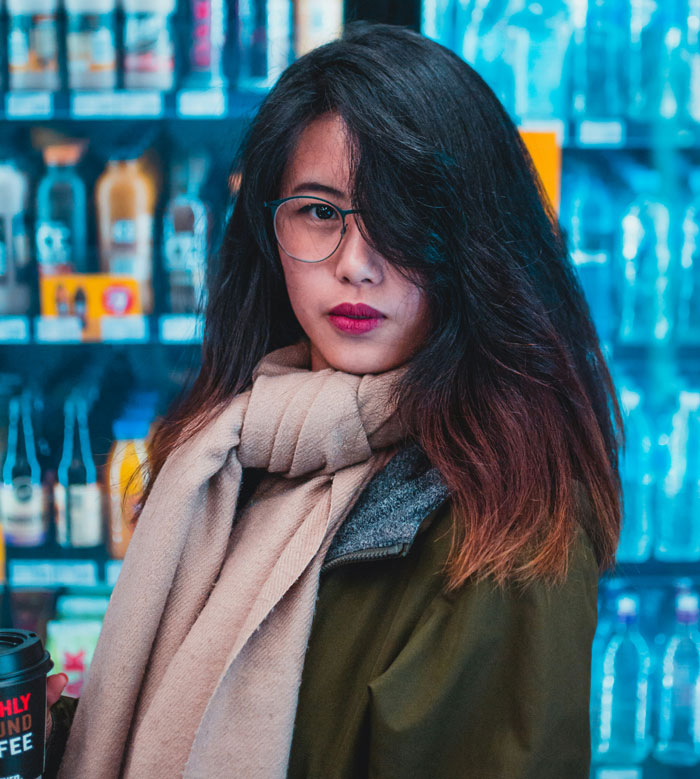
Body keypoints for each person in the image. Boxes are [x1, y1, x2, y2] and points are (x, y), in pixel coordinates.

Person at [43, 20, 624, 779]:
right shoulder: (232, 446)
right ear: (268, 231)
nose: (355, 263)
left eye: (405, 219)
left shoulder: (508, 527)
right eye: (320, 211)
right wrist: (58, 734)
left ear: (477, 239)